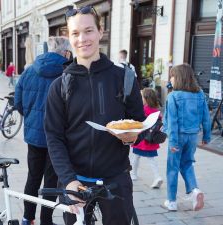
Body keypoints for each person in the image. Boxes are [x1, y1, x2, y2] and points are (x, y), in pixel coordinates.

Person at [44, 5, 145, 225]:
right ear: (69, 38)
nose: (82, 39)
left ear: (100, 32)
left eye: (88, 31)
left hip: (115, 179)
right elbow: (54, 137)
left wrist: (135, 136)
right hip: (75, 180)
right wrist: (68, 181)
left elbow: (140, 123)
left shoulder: (124, 78)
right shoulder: (58, 87)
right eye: (75, 33)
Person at [15, 36, 71, 225]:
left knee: (33, 177)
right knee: (51, 181)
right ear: (64, 52)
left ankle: (27, 218)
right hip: (57, 138)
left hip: (34, 136)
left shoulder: (29, 71)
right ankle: (45, 221)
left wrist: (32, 118)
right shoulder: (67, 73)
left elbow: (18, 103)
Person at [163, 63, 211, 211]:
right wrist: (207, 136)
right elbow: (206, 117)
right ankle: (194, 191)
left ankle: (171, 201)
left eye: (172, 76)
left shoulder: (173, 97)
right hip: (192, 137)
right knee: (188, 163)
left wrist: (173, 142)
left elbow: (173, 122)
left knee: (173, 168)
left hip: (177, 136)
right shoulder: (200, 95)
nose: (170, 79)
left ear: (178, 78)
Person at [130, 88, 163, 188]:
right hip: (151, 139)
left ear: (146, 99)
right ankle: (134, 174)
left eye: (141, 97)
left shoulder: (144, 109)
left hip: (142, 139)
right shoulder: (156, 111)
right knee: (145, 158)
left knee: (137, 157)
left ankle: (156, 177)